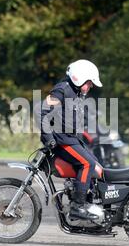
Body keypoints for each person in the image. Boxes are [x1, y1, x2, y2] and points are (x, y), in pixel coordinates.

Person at [35, 59, 102, 220]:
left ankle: (88, 203)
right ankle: (77, 207)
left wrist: (86, 135)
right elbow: (41, 112)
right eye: (90, 82)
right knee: (87, 164)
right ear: (79, 78)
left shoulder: (77, 92)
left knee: (98, 168)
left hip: (72, 139)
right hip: (62, 140)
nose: (91, 86)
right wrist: (48, 138)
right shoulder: (61, 90)